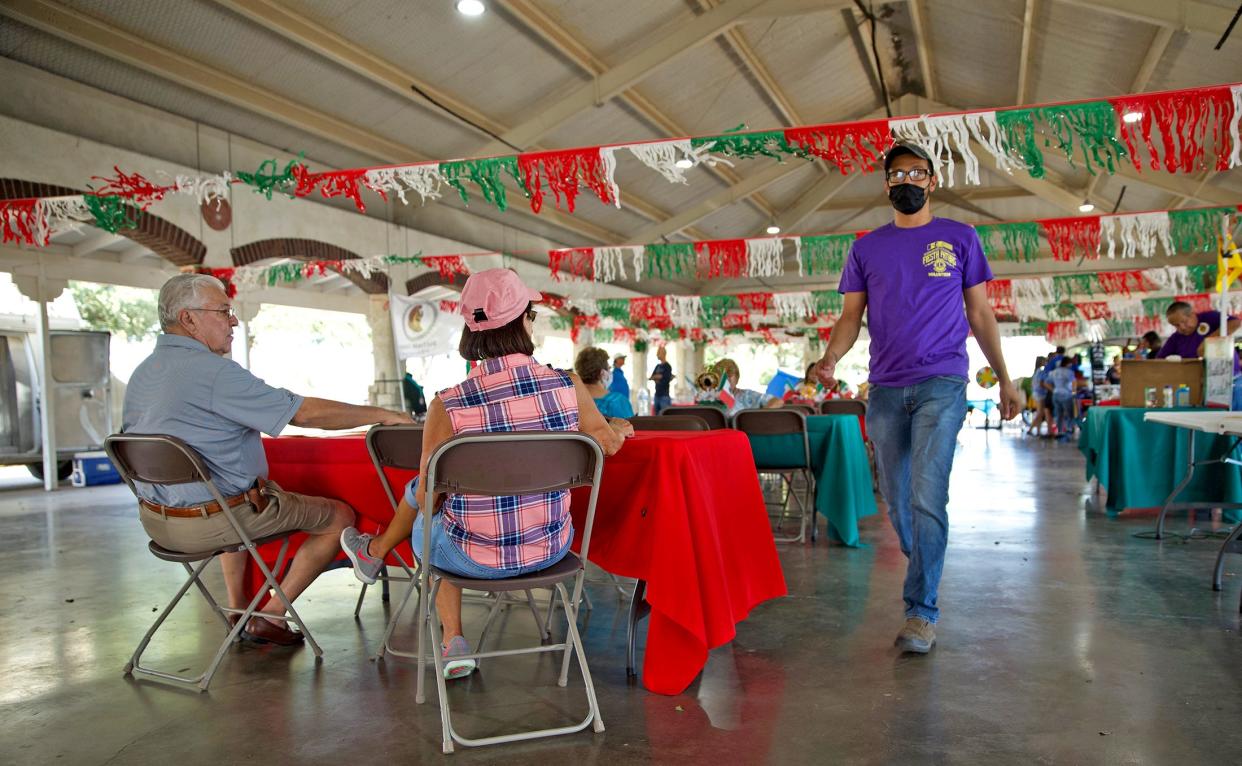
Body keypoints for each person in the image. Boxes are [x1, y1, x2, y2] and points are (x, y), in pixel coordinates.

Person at [339, 269, 633, 679]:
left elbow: (427, 500)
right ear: (522, 321)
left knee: (431, 510)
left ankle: (453, 638)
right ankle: (378, 560)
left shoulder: (448, 405)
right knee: (439, 506)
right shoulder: (568, 386)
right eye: (531, 315)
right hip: (553, 549)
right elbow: (607, 444)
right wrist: (616, 428)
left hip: (472, 561)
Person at [123, 274, 411, 646]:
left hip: (157, 523)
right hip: (214, 521)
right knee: (337, 516)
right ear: (188, 319)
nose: (233, 321)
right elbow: (303, 414)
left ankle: (238, 608)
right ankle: (271, 615)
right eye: (224, 311)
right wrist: (381, 414)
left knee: (240, 492)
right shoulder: (214, 374)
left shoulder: (142, 373)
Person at [813, 143, 1021, 655]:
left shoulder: (960, 237)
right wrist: (830, 358)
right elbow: (849, 317)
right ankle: (924, 557)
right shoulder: (866, 248)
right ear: (886, 184)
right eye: (897, 173)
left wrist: (1006, 378)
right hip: (884, 389)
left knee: (928, 495)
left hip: (943, 383)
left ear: (932, 181)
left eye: (917, 172)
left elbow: (980, 314)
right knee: (899, 499)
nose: (907, 179)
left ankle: (920, 612)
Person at [1158, 301, 1242, 408]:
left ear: (1192, 314)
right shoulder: (1175, 338)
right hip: (1200, 387)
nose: (1182, 328)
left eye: (1184, 322)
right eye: (1176, 326)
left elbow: (1235, 323)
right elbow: (1159, 361)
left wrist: (1208, 342)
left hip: (1231, 380)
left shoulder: (1209, 317)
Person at [575, 346, 635, 418]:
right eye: (608, 368)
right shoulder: (617, 401)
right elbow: (631, 427)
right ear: (603, 373)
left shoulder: (571, 403)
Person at [713, 358, 783, 416]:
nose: (725, 382)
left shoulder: (747, 395)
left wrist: (761, 415)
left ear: (737, 378)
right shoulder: (709, 398)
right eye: (719, 377)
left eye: (728, 377)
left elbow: (777, 401)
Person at [1044, 357, 1078, 442]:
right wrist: (1074, 393)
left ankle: (1059, 431)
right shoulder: (1069, 372)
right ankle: (1068, 430)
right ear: (1067, 363)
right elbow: (1074, 382)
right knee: (1070, 414)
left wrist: (1054, 390)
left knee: (1059, 414)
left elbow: (1046, 383)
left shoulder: (1054, 372)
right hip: (1066, 395)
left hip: (1056, 395)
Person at [1026, 356, 1048, 436]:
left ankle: (1038, 431)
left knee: (1040, 413)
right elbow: (1042, 383)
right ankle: (1031, 429)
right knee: (1040, 413)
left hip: (1036, 394)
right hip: (1040, 394)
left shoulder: (1036, 372)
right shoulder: (1041, 371)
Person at [650, 345, 675, 413]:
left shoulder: (667, 366)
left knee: (664, 416)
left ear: (663, 353)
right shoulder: (657, 366)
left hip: (664, 396)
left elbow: (667, 379)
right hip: (657, 395)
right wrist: (658, 377)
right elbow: (651, 377)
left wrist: (658, 377)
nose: (657, 354)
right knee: (656, 417)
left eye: (659, 353)